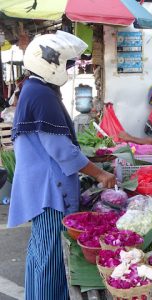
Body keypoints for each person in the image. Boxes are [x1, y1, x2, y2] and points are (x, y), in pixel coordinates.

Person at [7, 31, 116, 300]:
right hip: (49, 192)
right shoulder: (41, 94)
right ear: (51, 65)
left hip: (39, 187)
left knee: (40, 253)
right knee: (49, 257)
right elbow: (62, 151)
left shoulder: (32, 88)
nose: (68, 69)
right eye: (66, 64)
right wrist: (100, 174)